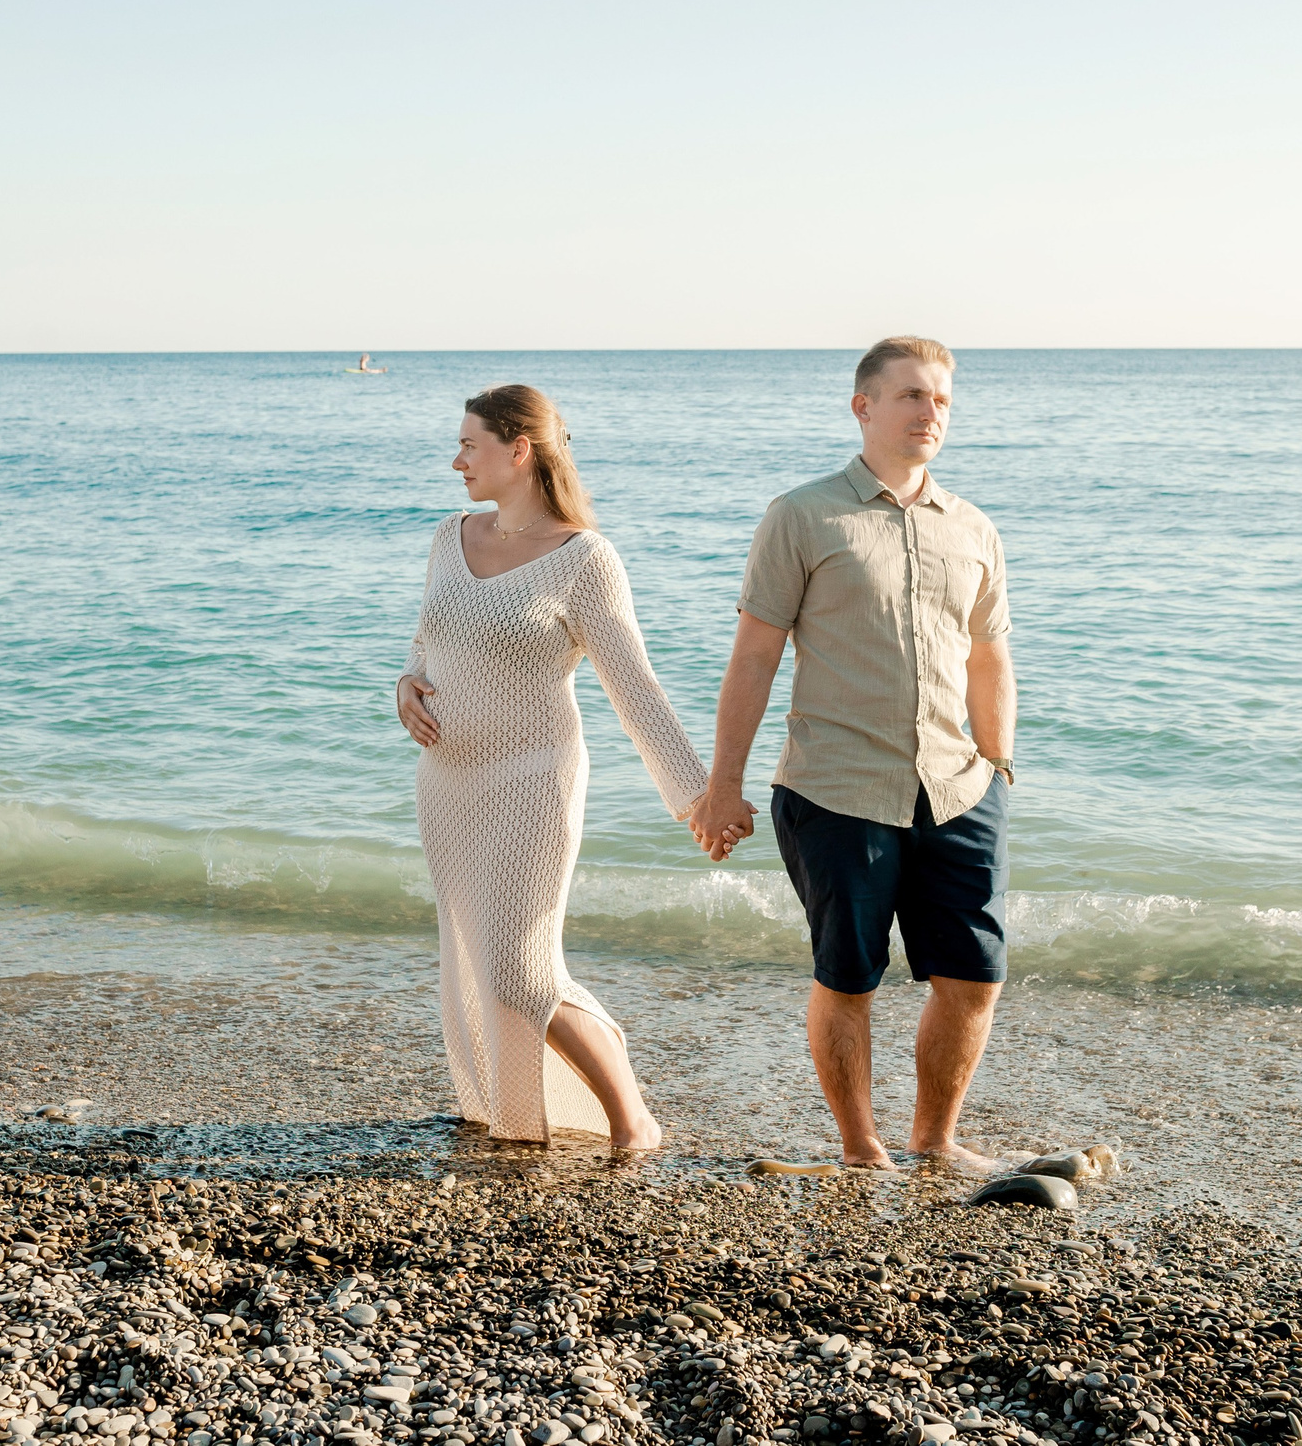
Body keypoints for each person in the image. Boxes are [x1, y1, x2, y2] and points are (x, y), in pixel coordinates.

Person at [690, 336, 1016, 1171]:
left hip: (957, 789)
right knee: (849, 979)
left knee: (974, 977)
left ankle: (936, 1140)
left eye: (940, 399)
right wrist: (721, 785)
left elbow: (987, 652)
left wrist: (998, 758)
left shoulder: (974, 527)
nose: (928, 412)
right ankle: (861, 1147)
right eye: (910, 395)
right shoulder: (802, 515)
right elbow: (755, 654)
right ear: (863, 407)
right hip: (836, 789)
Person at [393, 384, 722, 1150]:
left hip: (532, 785)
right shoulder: (451, 536)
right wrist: (403, 684)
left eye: (469, 445)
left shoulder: (584, 559)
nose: (456, 460)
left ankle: (630, 1117)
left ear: (519, 450)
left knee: (519, 970)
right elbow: (427, 639)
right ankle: (513, 1121)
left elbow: (633, 687)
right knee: (474, 960)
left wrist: (698, 796)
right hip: (447, 787)